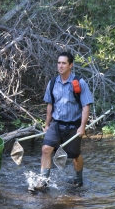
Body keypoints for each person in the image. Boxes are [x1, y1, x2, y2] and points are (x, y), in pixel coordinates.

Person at [29, 51, 94, 192]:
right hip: (56, 124)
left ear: (71, 65)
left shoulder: (79, 83)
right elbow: (50, 105)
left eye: (64, 63)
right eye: (59, 63)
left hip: (73, 125)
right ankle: (43, 182)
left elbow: (86, 106)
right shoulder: (52, 83)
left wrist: (82, 127)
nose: (60, 66)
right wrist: (47, 124)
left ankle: (78, 179)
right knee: (46, 149)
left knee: (74, 156)